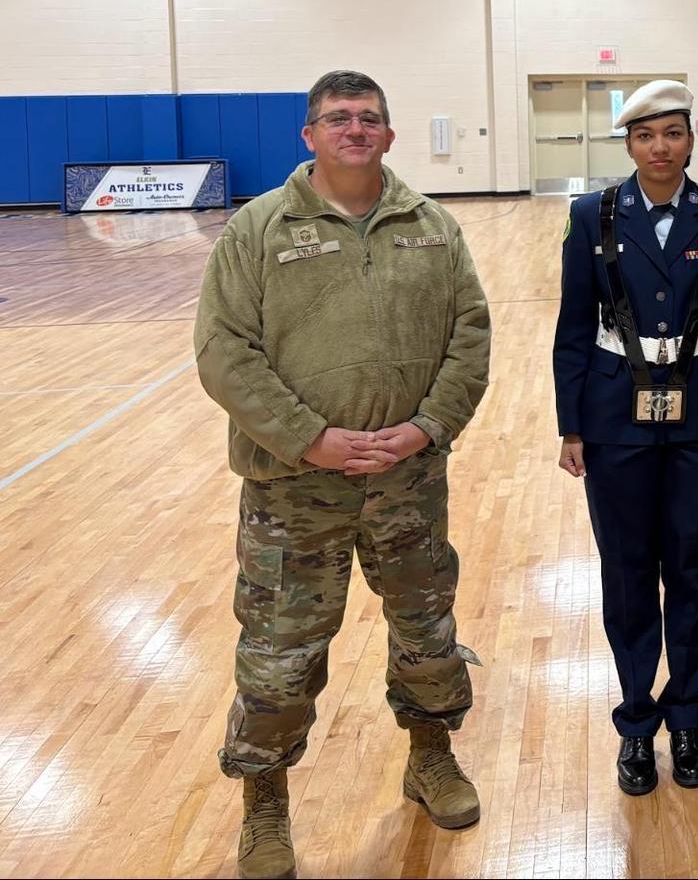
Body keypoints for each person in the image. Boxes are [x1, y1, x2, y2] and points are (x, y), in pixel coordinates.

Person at [195, 69, 490, 880]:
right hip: (294, 489)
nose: (354, 128)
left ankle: (430, 758)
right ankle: (264, 805)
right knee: (280, 654)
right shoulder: (258, 229)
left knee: (428, 634)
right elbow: (224, 352)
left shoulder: (431, 227)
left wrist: (427, 427)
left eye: (369, 118)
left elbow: (471, 332)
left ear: (390, 135)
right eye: (337, 118)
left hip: (408, 481)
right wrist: (308, 437)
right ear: (310, 135)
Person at [551, 80, 698, 797]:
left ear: (691, 138)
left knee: (692, 569)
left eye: (672, 133)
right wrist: (569, 423)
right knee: (629, 572)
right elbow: (574, 325)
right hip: (614, 420)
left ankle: (688, 718)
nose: (659, 147)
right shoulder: (594, 214)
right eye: (645, 135)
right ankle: (637, 724)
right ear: (629, 144)